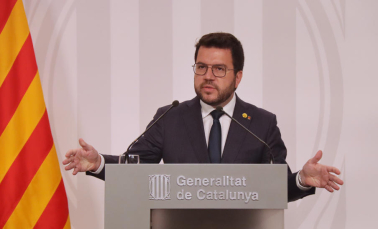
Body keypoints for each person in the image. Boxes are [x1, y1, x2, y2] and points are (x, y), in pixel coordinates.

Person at [62, 32, 343, 202]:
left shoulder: (261, 123)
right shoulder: (170, 117)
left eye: (219, 69)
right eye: (201, 66)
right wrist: (98, 164)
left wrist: (301, 180)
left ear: (238, 77)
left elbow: (275, 187)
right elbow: (134, 168)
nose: (208, 76)